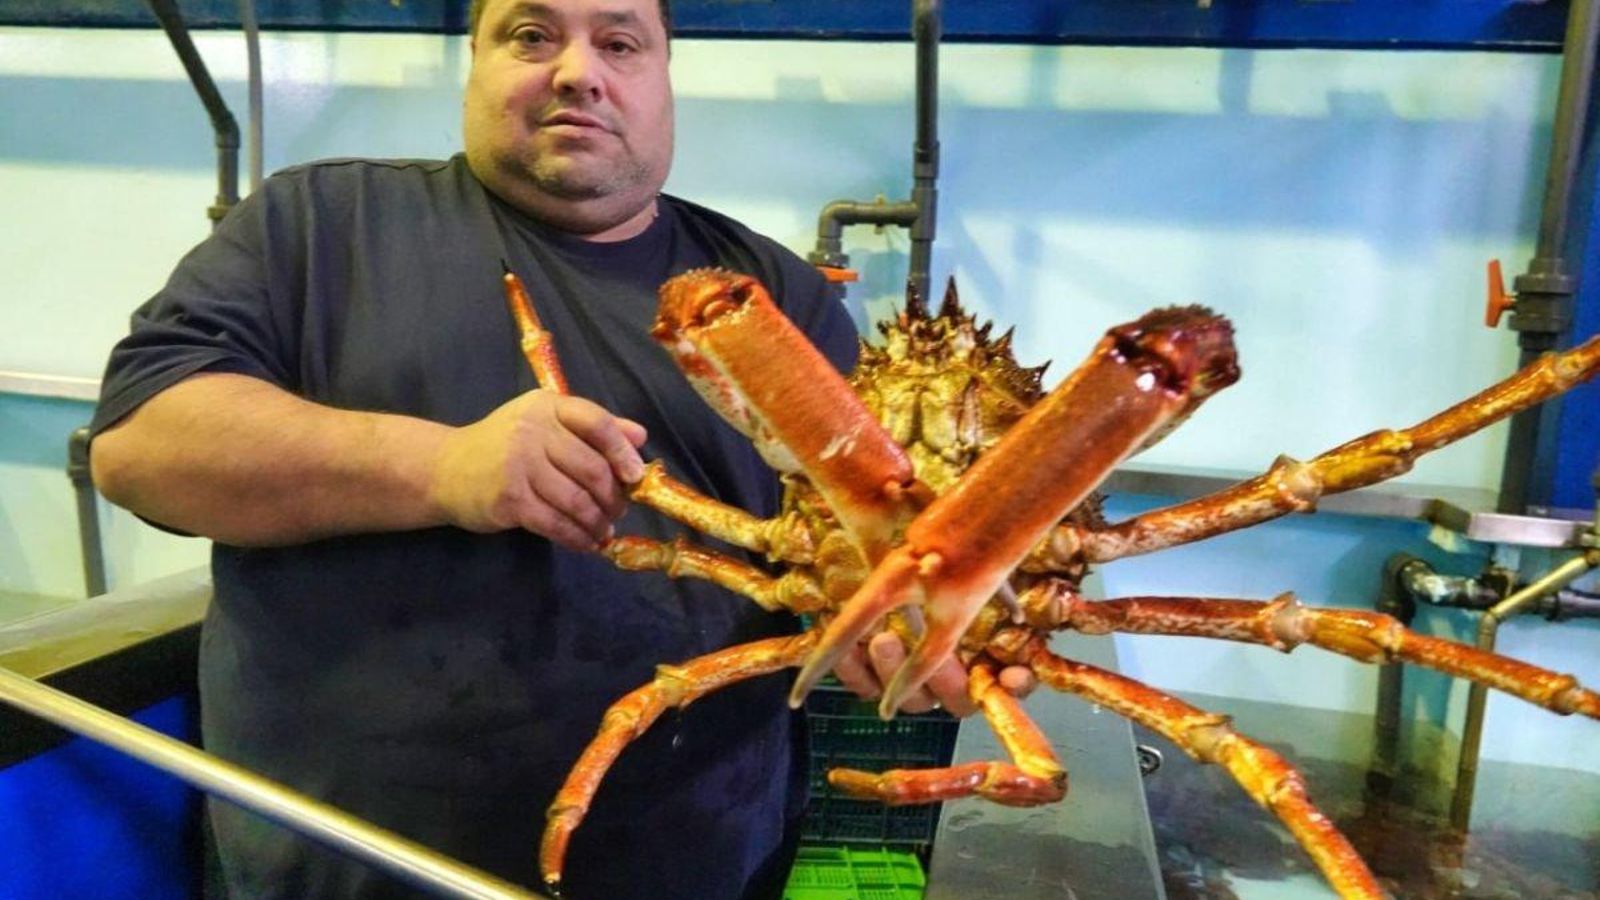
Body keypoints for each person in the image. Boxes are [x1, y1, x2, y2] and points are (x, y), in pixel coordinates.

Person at [89, 0, 1015, 896]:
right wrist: (443, 469)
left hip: (703, 862)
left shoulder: (774, 296)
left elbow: (862, 542)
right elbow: (141, 445)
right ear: (475, 63)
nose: (578, 72)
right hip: (344, 865)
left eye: (621, 43)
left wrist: (909, 620)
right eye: (531, 35)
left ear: (663, 79)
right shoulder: (322, 225)